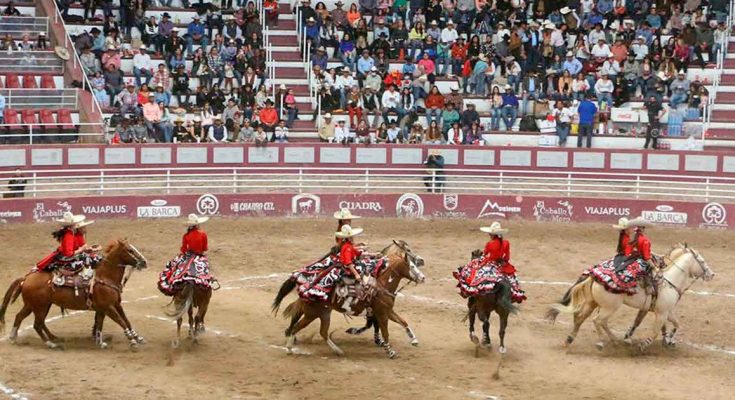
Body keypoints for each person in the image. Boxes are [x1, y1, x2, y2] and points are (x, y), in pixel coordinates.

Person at [158, 214, 217, 296]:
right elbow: (205, 248)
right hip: (199, 256)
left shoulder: (186, 236)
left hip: (188, 256)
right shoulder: (203, 234)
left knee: (174, 266)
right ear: (197, 225)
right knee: (206, 267)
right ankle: (209, 281)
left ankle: (172, 281)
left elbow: (184, 249)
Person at [479, 222, 526, 302]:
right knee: (513, 279)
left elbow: (485, 255)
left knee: (478, 276)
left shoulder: (490, 244)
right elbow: (507, 257)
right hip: (502, 265)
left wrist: (482, 261)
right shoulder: (506, 243)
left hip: (491, 264)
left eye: (490, 233)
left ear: (493, 234)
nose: (489, 235)